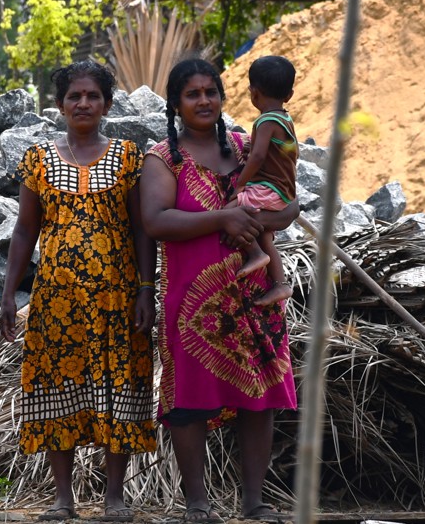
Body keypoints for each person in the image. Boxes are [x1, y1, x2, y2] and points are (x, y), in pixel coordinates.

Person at [140, 57, 298, 524]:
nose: (204, 100)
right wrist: (220, 218)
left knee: (260, 397)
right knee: (189, 400)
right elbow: (156, 221)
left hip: (254, 296)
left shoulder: (248, 146)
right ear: (175, 104)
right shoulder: (162, 158)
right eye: (193, 94)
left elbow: (288, 206)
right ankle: (198, 504)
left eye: (211, 91)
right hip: (193, 306)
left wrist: (255, 220)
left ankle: (255, 502)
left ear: (225, 97)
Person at [0, 61, 157, 522]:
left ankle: (114, 497)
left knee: (119, 387)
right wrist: (10, 293)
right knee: (55, 388)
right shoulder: (39, 159)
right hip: (56, 299)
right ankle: (63, 498)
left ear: (107, 104)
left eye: (92, 96)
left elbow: (142, 230)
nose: (83, 104)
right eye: (74, 96)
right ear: (59, 105)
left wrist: (146, 289)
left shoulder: (128, 156)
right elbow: (25, 231)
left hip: (118, 297)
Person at [227, 55, 299, 305]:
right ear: (289, 95)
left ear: (253, 93)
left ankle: (255, 254)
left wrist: (240, 184)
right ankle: (280, 285)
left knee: (229, 212)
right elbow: (274, 152)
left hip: (270, 189)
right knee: (265, 234)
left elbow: (257, 157)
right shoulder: (285, 118)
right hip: (284, 192)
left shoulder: (266, 120)